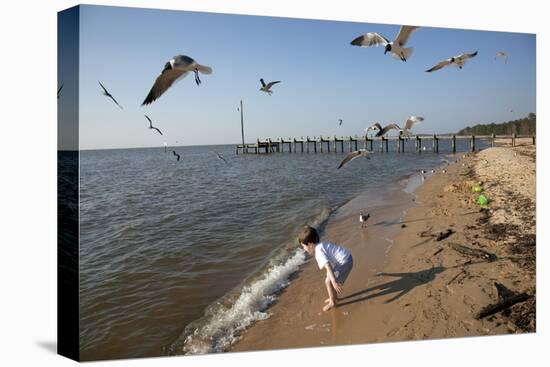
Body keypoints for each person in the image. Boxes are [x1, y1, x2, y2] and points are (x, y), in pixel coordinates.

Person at [298, 226, 353, 311]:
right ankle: (334, 298)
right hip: (346, 257)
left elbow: (328, 265)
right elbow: (330, 262)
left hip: (344, 262)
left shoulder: (319, 252)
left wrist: (334, 281)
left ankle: (332, 302)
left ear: (310, 244)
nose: (304, 249)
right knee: (329, 278)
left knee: (328, 282)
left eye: (304, 246)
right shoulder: (321, 245)